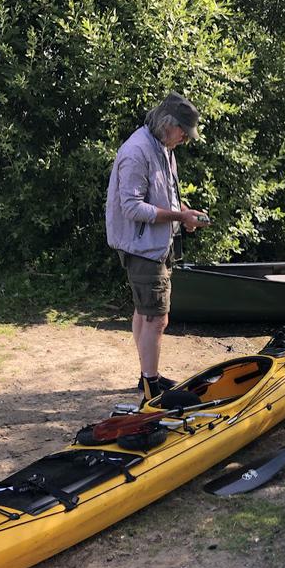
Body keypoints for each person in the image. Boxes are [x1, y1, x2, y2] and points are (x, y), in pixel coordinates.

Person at [106, 91, 210, 406]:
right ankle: (152, 387)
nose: (185, 139)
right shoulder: (137, 151)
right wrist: (179, 216)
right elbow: (133, 208)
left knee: (144, 312)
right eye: (183, 132)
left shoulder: (163, 147)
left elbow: (164, 194)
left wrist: (184, 212)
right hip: (142, 247)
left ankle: (146, 377)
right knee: (156, 318)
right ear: (168, 124)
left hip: (155, 243)